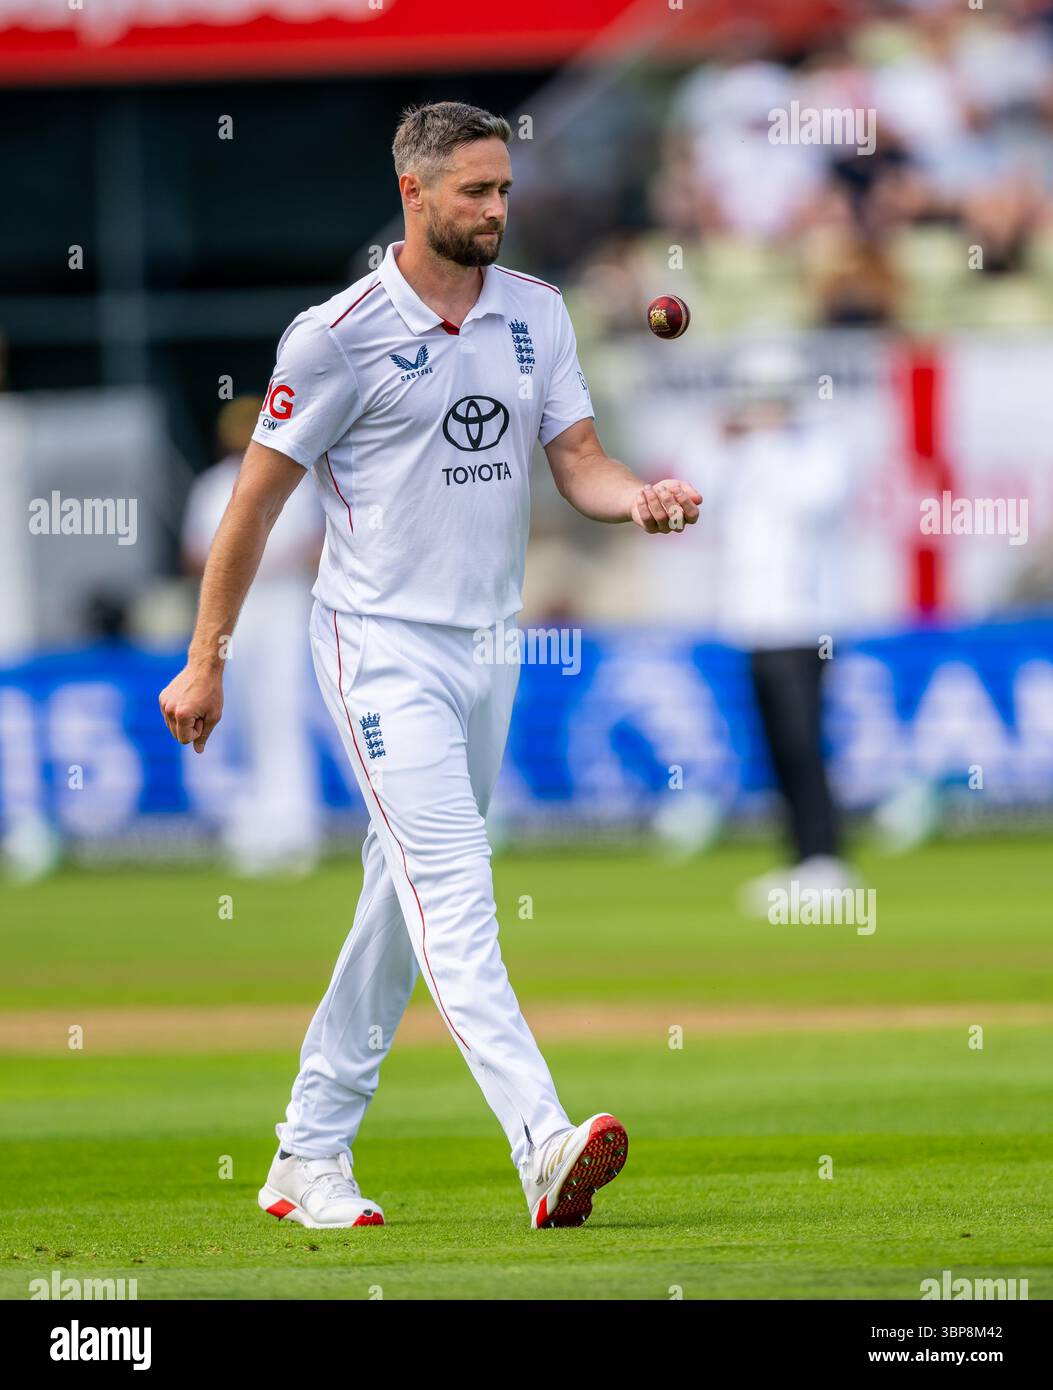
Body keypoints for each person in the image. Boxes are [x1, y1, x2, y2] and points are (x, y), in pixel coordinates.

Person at [158, 101, 702, 1231]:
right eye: (475, 192)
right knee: (453, 896)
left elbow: (582, 464)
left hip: (486, 645)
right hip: (377, 644)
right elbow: (253, 507)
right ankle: (542, 1140)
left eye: (504, 190)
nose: (497, 209)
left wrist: (638, 499)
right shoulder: (337, 333)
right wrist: (205, 660)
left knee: (395, 903)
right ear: (414, 192)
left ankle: (308, 1150)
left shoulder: (536, 318)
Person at [706, 341, 857, 913]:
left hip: (805, 620)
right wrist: (730, 443)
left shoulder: (818, 446)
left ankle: (827, 858)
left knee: (804, 741)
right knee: (773, 746)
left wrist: (764, 441)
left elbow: (817, 500)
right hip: (753, 620)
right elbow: (702, 493)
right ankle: (801, 859)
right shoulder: (738, 451)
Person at [181, 397, 325, 875]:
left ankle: (294, 825)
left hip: (284, 602)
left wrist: (258, 562)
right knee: (238, 713)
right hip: (234, 608)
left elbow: (315, 546)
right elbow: (194, 555)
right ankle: (253, 825)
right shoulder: (212, 486)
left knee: (283, 710)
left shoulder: (297, 481)